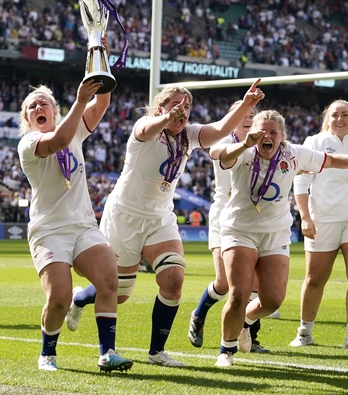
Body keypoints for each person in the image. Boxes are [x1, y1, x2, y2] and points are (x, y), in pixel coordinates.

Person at [68, 80, 265, 367]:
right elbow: (148, 128)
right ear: (160, 107)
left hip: (160, 218)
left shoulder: (189, 134)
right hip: (124, 216)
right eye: (176, 105)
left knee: (173, 281)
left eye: (187, 107)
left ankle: (156, 352)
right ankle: (79, 299)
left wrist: (247, 104)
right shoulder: (145, 126)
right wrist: (165, 117)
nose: (183, 111)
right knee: (118, 294)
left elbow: (221, 130)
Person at [212, 110, 348, 366]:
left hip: (275, 233)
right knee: (239, 294)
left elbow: (331, 160)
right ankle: (226, 351)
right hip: (240, 230)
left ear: (282, 136)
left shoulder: (293, 153)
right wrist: (244, 143)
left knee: (272, 300)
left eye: (273, 132)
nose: (267, 136)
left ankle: (246, 322)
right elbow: (216, 153)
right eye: (262, 131)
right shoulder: (243, 151)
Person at [17, 62, 133, 372]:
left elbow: (104, 99)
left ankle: (107, 353)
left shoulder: (74, 125)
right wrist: (80, 100)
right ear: (27, 119)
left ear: (54, 111)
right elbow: (58, 142)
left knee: (111, 281)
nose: (38, 107)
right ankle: (48, 355)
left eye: (44, 103)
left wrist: (98, 55)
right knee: (58, 298)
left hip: (83, 225)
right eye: (31, 106)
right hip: (49, 229)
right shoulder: (28, 143)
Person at [290, 100, 348, 351]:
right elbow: (300, 183)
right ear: (327, 118)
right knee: (315, 278)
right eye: (335, 115)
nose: (340, 119)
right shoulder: (313, 142)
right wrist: (305, 217)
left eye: (345, 115)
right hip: (322, 219)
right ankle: (304, 333)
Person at [187, 101, 278, 355]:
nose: (248, 119)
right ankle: (199, 312)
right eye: (243, 115)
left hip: (252, 218)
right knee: (225, 283)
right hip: (225, 215)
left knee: (256, 283)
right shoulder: (226, 141)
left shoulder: (264, 143)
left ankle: (250, 334)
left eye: (252, 115)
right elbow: (219, 153)